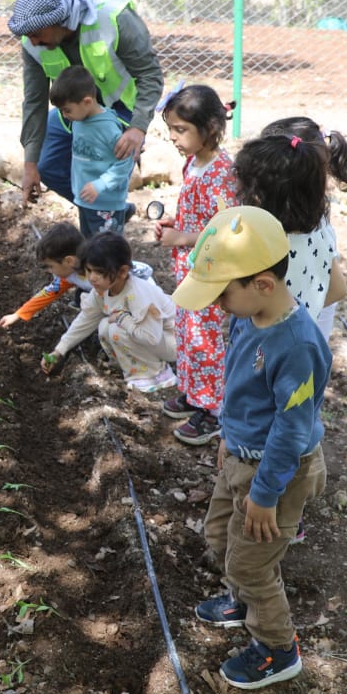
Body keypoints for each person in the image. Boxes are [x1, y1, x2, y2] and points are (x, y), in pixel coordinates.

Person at [172, 206, 331, 690]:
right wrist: (227, 435)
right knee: (219, 533)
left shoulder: (296, 346)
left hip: (279, 472)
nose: (218, 306)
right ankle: (242, 600)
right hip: (241, 454)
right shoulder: (250, 316)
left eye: (223, 295)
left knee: (251, 560)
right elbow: (242, 388)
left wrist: (264, 494)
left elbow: (290, 429)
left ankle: (277, 648)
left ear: (263, 283)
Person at [7, 0, 164, 206]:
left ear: (59, 20)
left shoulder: (114, 18)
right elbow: (34, 102)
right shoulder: (33, 42)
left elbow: (150, 75)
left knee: (103, 169)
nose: (32, 40)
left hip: (120, 110)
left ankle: (106, 219)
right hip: (73, 112)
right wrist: (30, 165)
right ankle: (105, 210)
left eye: (37, 33)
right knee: (46, 164)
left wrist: (137, 129)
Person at [152, 85, 239, 447]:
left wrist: (185, 238)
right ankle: (192, 393)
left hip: (210, 272)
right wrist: (177, 221)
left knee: (206, 339)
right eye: (171, 129)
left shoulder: (222, 174)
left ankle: (214, 410)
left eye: (181, 130)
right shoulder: (194, 163)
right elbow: (197, 213)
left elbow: (229, 228)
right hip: (190, 270)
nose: (174, 137)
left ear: (210, 129)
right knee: (188, 331)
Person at [241, 118, 347, 341]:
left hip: (278, 345)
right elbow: (337, 288)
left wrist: (290, 315)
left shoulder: (271, 239)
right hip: (308, 339)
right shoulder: (318, 222)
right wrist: (308, 311)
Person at [41, 231, 177, 395]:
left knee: (115, 329)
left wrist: (122, 318)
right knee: (105, 325)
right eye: (89, 270)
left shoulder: (138, 294)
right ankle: (130, 366)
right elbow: (86, 319)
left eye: (99, 272)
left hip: (175, 342)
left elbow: (151, 337)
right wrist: (59, 350)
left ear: (122, 272)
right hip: (153, 338)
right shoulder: (103, 290)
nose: (92, 278)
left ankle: (155, 375)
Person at [49, 65, 133, 236]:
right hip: (86, 200)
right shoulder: (79, 119)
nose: (64, 115)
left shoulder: (107, 127)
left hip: (105, 203)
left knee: (107, 252)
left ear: (87, 102)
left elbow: (127, 160)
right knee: (90, 247)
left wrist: (101, 184)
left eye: (67, 110)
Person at [0, 223, 94, 330]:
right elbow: (49, 292)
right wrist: (19, 314)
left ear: (69, 261)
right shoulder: (70, 274)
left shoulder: (100, 274)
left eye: (51, 266)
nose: (49, 271)